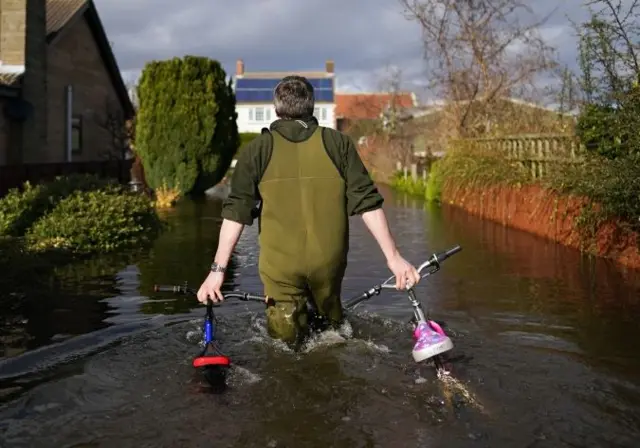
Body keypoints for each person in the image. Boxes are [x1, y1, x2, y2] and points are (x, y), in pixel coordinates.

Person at [197, 75, 420, 346]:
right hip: (329, 262)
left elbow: (236, 214)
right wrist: (394, 258)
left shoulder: (256, 150)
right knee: (333, 335)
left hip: (281, 267)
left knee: (284, 346)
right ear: (311, 106)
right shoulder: (339, 143)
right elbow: (368, 203)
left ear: (276, 108)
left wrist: (217, 270)